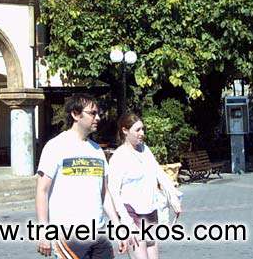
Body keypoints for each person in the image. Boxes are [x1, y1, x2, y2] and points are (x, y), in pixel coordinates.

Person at [36, 94, 132, 258]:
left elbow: (104, 193)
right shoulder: (55, 146)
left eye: (98, 113)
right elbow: (42, 191)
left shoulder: (96, 150)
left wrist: (117, 226)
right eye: (92, 113)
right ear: (75, 114)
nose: (98, 118)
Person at [108, 113, 182, 259]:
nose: (142, 133)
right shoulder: (119, 157)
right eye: (137, 130)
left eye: (143, 129)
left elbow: (159, 174)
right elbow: (114, 193)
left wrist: (173, 198)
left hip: (149, 210)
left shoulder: (144, 150)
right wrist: (126, 221)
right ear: (125, 130)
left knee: (153, 252)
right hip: (131, 213)